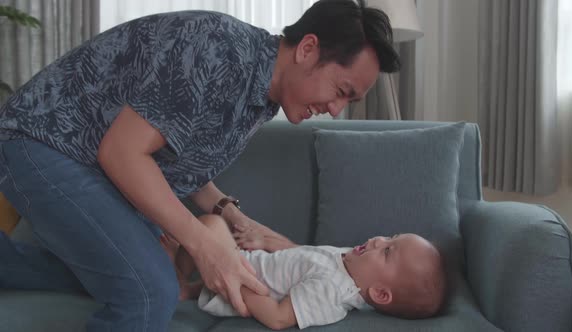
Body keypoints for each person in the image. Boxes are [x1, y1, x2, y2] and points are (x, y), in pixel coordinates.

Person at [0, 0, 400, 330]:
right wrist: (202, 242)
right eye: (340, 91)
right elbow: (121, 152)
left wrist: (227, 211)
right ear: (308, 48)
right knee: (149, 291)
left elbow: (172, 152)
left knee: (133, 270)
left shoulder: (262, 96)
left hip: (95, 164)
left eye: (348, 102)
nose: (335, 109)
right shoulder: (217, 48)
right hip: (43, 140)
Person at [160, 215, 446, 330]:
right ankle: (185, 287)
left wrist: (236, 275)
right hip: (248, 262)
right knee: (212, 224)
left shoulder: (331, 292)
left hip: (240, 281)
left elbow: (278, 317)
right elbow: (300, 253)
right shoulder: (350, 263)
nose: (378, 239)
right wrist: (265, 241)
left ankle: (178, 277)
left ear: (380, 293)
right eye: (390, 237)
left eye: (387, 251)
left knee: (211, 225)